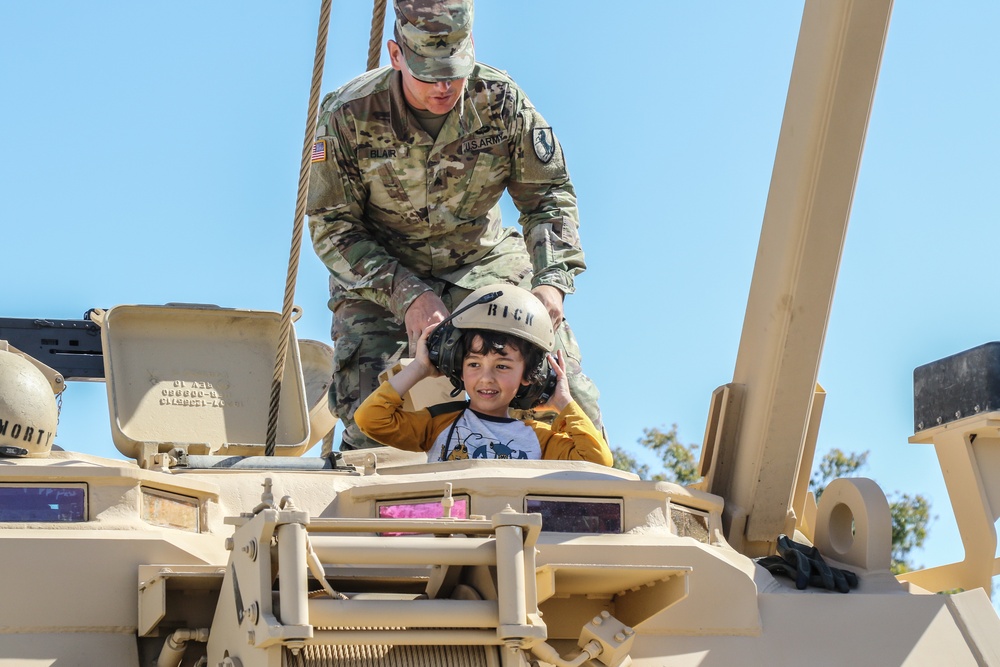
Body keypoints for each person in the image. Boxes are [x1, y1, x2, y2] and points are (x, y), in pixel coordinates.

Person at [307, 0, 604, 451]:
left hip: (482, 260)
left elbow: (548, 196)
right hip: (383, 273)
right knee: (369, 423)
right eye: (428, 73)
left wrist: (551, 282)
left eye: (455, 70)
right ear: (396, 55)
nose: (444, 86)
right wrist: (408, 294)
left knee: (566, 391)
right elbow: (332, 226)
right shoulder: (348, 115)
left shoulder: (502, 102)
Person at [354, 286, 612, 465]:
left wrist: (563, 401)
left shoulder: (538, 437)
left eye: (502, 366)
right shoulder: (438, 424)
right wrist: (419, 368)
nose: (486, 378)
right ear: (457, 363)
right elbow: (371, 420)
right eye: (474, 364)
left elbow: (595, 459)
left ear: (528, 375)